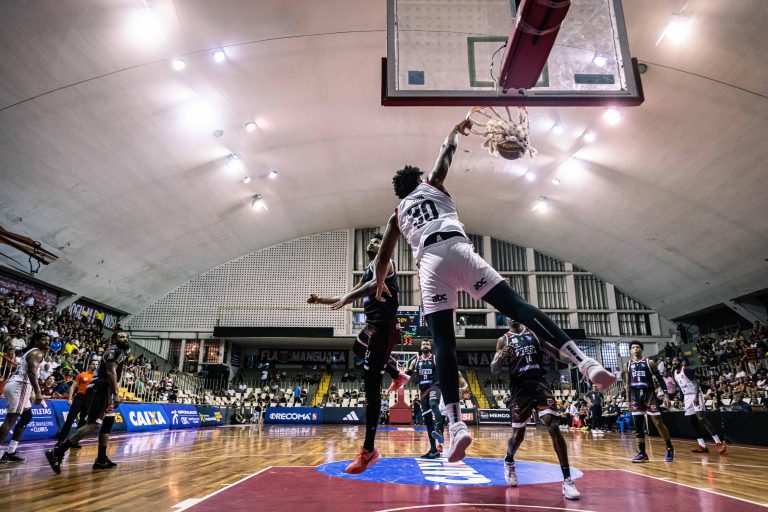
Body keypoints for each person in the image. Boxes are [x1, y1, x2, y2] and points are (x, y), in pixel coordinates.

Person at [373, 119, 615, 461]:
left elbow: (382, 258)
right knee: (517, 307)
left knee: (443, 342)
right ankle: (585, 362)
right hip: (456, 246)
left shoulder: (397, 214)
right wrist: (454, 130)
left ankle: (456, 426)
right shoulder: (431, 184)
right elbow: (446, 152)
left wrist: (379, 282)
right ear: (417, 179)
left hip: (429, 263)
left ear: (400, 192)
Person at [307, 233, 404, 474]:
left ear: (383, 246)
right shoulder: (368, 270)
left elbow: (370, 287)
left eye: (377, 240)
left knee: (371, 388)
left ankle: (369, 451)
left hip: (384, 327)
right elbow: (349, 295)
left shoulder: (386, 263)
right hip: (372, 326)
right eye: (370, 240)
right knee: (357, 348)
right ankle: (397, 374)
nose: (372, 242)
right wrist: (321, 300)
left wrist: (349, 298)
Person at [490, 320, 580, 500]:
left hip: (539, 383)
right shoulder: (503, 340)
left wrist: (580, 359)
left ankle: (567, 480)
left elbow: (558, 355)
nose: (511, 317)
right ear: (505, 318)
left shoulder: (534, 334)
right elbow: (494, 369)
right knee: (518, 436)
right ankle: (509, 460)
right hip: (519, 388)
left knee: (553, 426)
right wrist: (500, 357)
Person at [45, 330, 131, 473]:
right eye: (121, 337)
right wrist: (116, 393)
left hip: (105, 389)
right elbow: (110, 371)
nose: (125, 339)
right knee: (93, 425)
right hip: (101, 389)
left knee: (108, 421)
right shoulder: (114, 351)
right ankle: (58, 451)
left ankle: (101, 458)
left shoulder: (119, 352)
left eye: (126, 337)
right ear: (114, 340)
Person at [0, 332, 50, 464]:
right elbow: (31, 373)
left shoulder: (32, 351)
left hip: (19, 385)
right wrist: (38, 392)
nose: (47, 343)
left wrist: (31, 391)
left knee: (27, 417)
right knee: (10, 420)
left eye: (48, 340)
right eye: (44, 340)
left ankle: (11, 451)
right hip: (20, 386)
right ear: (36, 341)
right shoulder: (37, 353)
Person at [625, 340, 674, 463]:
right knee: (638, 425)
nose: (635, 349)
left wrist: (666, 395)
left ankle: (669, 447)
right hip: (635, 395)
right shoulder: (628, 364)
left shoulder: (649, 362)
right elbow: (628, 384)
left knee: (658, 423)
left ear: (641, 349)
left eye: (637, 347)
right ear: (630, 351)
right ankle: (642, 453)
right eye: (633, 347)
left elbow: (660, 379)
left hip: (649, 394)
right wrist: (628, 400)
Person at [670, 357, 725, 454]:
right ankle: (702, 445)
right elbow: (681, 386)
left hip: (695, 394)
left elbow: (696, 384)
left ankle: (718, 442)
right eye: (673, 361)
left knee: (701, 418)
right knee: (692, 421)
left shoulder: (686, 370)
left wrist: (696, 397)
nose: (674, 362)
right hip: (687, 396)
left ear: (681, 362)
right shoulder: (674, 373)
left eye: (676, 361)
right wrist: (682, 399)